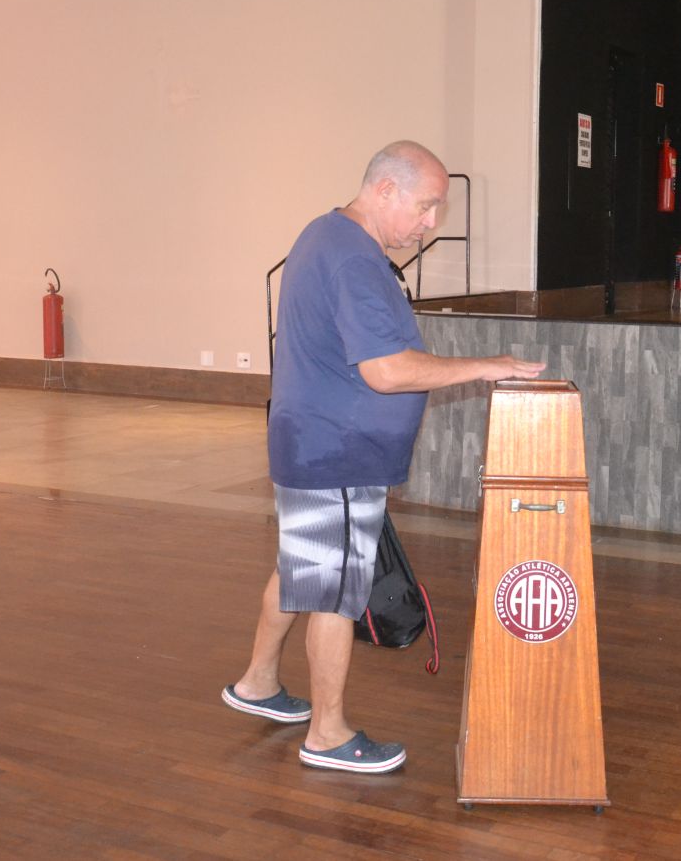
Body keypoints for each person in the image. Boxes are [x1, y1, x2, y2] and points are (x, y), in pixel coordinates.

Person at [221, 140, 546, 774]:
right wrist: (487, 367)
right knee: (336, 594)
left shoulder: (326, 234)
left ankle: (258, 682)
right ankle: (328, 734)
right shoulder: (353, 260)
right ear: (385, 189)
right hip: (337, 455)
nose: (431, 223)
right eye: (425, 206)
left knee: (303, 567)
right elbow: (388, 371)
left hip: (311, 443)